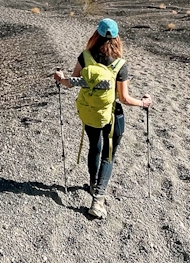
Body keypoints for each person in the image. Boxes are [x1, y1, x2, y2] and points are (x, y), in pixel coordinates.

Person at [53, 18, 151, 219]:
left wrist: (59, 77)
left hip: (90, 113)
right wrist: (144, 103)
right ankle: (98, 200)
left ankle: (92, 184)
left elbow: (72, 82)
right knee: (108, 155)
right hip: (111, 115)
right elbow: (124, 98)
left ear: (96, 35)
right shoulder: (120, 65)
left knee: (94, 147)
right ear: (116, 38)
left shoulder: (85, 56)